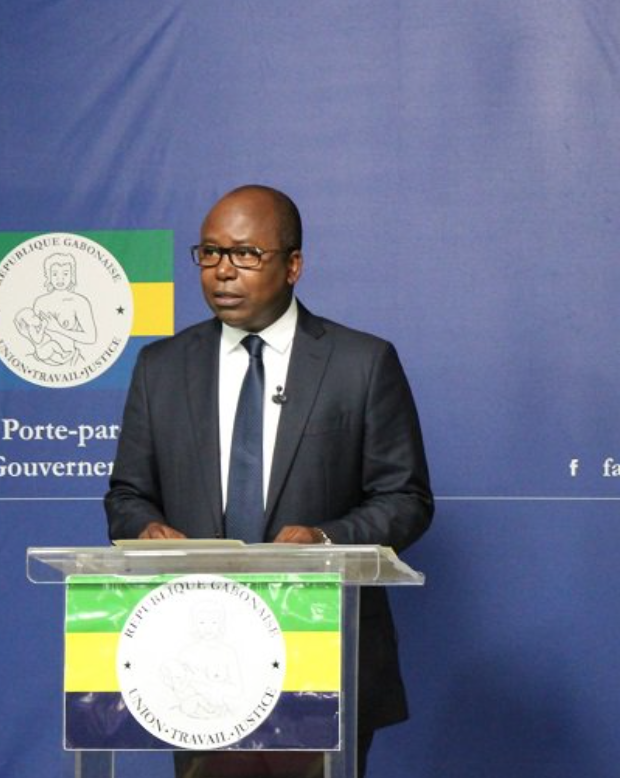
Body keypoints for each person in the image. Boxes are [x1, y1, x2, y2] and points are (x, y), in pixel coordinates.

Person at [105, 184, 434, 777]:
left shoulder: (361, 363)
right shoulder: (161, 366)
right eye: (210, 253)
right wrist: (145, 528)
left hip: (322, 648)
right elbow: (127, 494)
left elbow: (406, 498)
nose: (222, 271)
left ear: (293, 266)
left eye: (245, 254)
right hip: (195, 656)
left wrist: (327, 541)